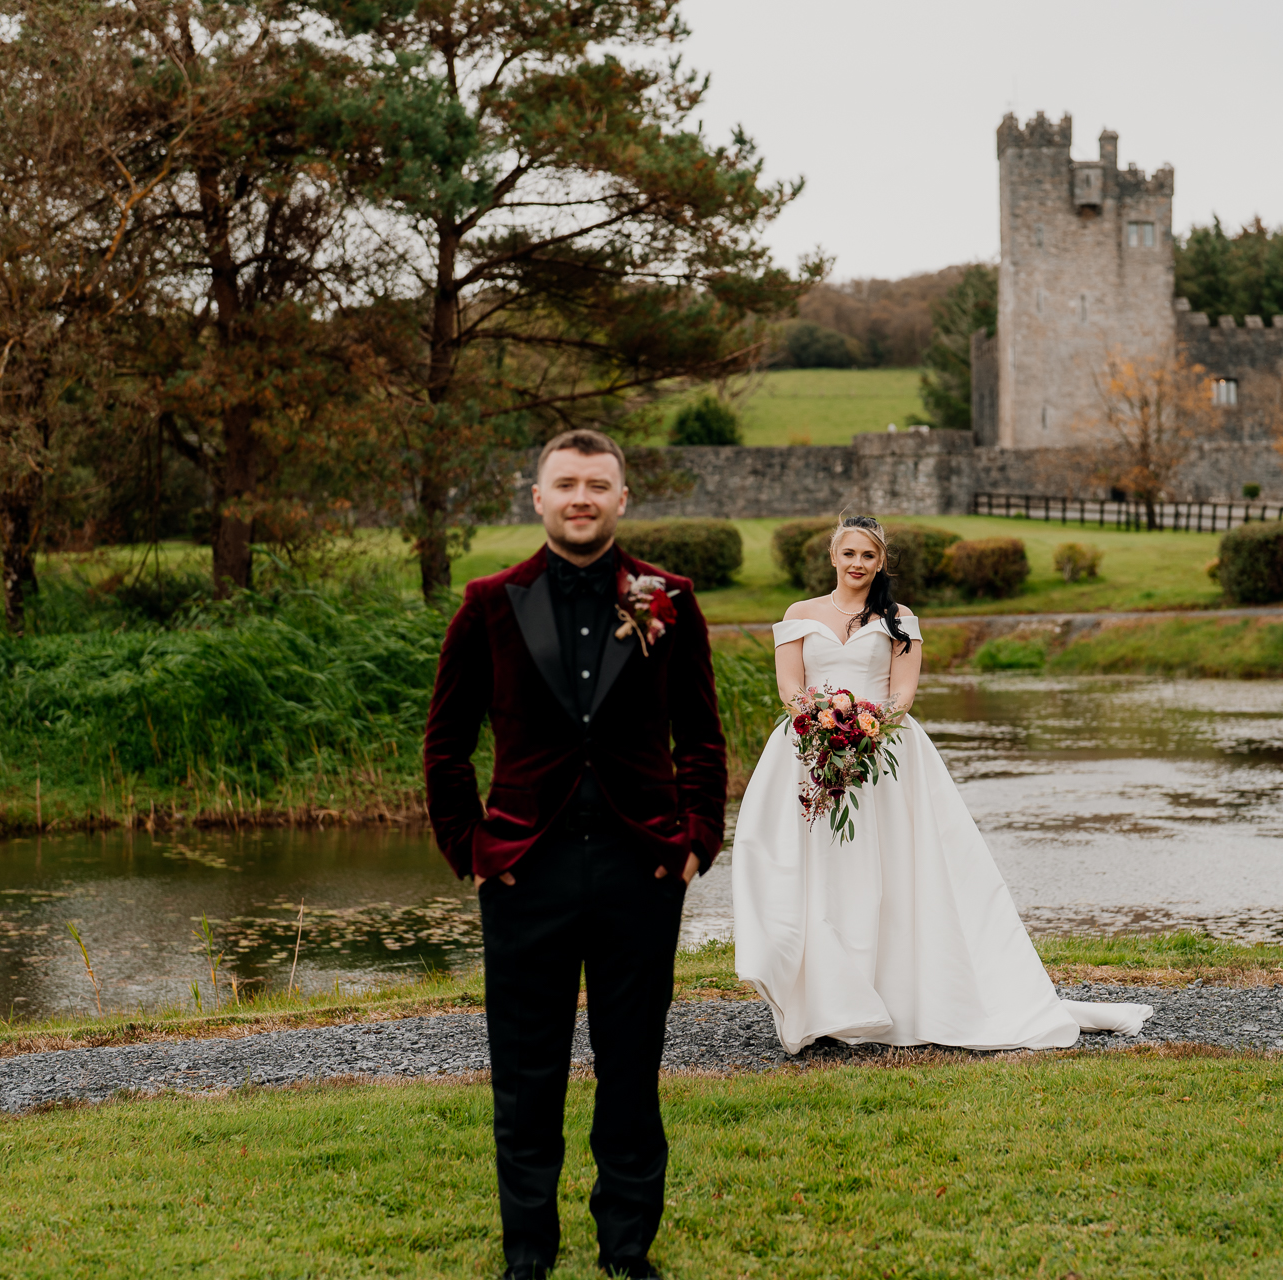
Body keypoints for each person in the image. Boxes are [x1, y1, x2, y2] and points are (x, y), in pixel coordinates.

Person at [423, 429, 727, 1280]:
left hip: (643, 869)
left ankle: (627, 1250)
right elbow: (445, 745)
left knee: (631, 1072)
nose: (582, 496)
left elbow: (702, 738)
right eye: (567, 483)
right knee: (526, 1078)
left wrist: (696, 840)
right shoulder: (489, 602)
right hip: (526, 872)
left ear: (622, 499)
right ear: (540, 497)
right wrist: (473, 847)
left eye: (598, 483)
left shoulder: (671, 598)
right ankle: (528, 1256)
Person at [733, 516, 1152, 1053]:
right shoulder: (800, 615)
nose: (858, 563)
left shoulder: (899, 618)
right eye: (849, 553)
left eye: (869, 556)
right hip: (808, 752)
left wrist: (861, 726)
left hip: (881, 753)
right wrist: (821, 722)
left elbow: (903, 696)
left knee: (892, 871)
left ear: (881, 562)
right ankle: (823, 999)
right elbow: (790, 687)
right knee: (813, 866)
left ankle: (891, 992)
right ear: (833, 557)